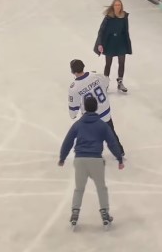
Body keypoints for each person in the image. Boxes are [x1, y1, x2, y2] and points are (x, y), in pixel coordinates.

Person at [59, 94, 124, 229]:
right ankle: (105, 213)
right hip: (96, 161)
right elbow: (112, 142)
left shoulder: (78, 124)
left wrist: (62, 157)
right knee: (101, 188)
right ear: (96, 108)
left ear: (85, 108)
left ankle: (75, 213)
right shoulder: (102, 125)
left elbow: (68, 141)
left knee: (79, 188)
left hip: (80, 160)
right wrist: (119, 158)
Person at [94, 0, 132, 93]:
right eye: (116, 5)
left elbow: (126, 30)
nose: (118, 7)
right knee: (108, 64)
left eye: (119, 5)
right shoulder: (108, 18)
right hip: (110, 42)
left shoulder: (124, 16)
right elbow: (101, 31)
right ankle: (105, 83)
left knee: (122, 62)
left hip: (121, 42)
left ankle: (120, 82)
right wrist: (100, 43)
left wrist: (127, 43)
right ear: (113, 6)